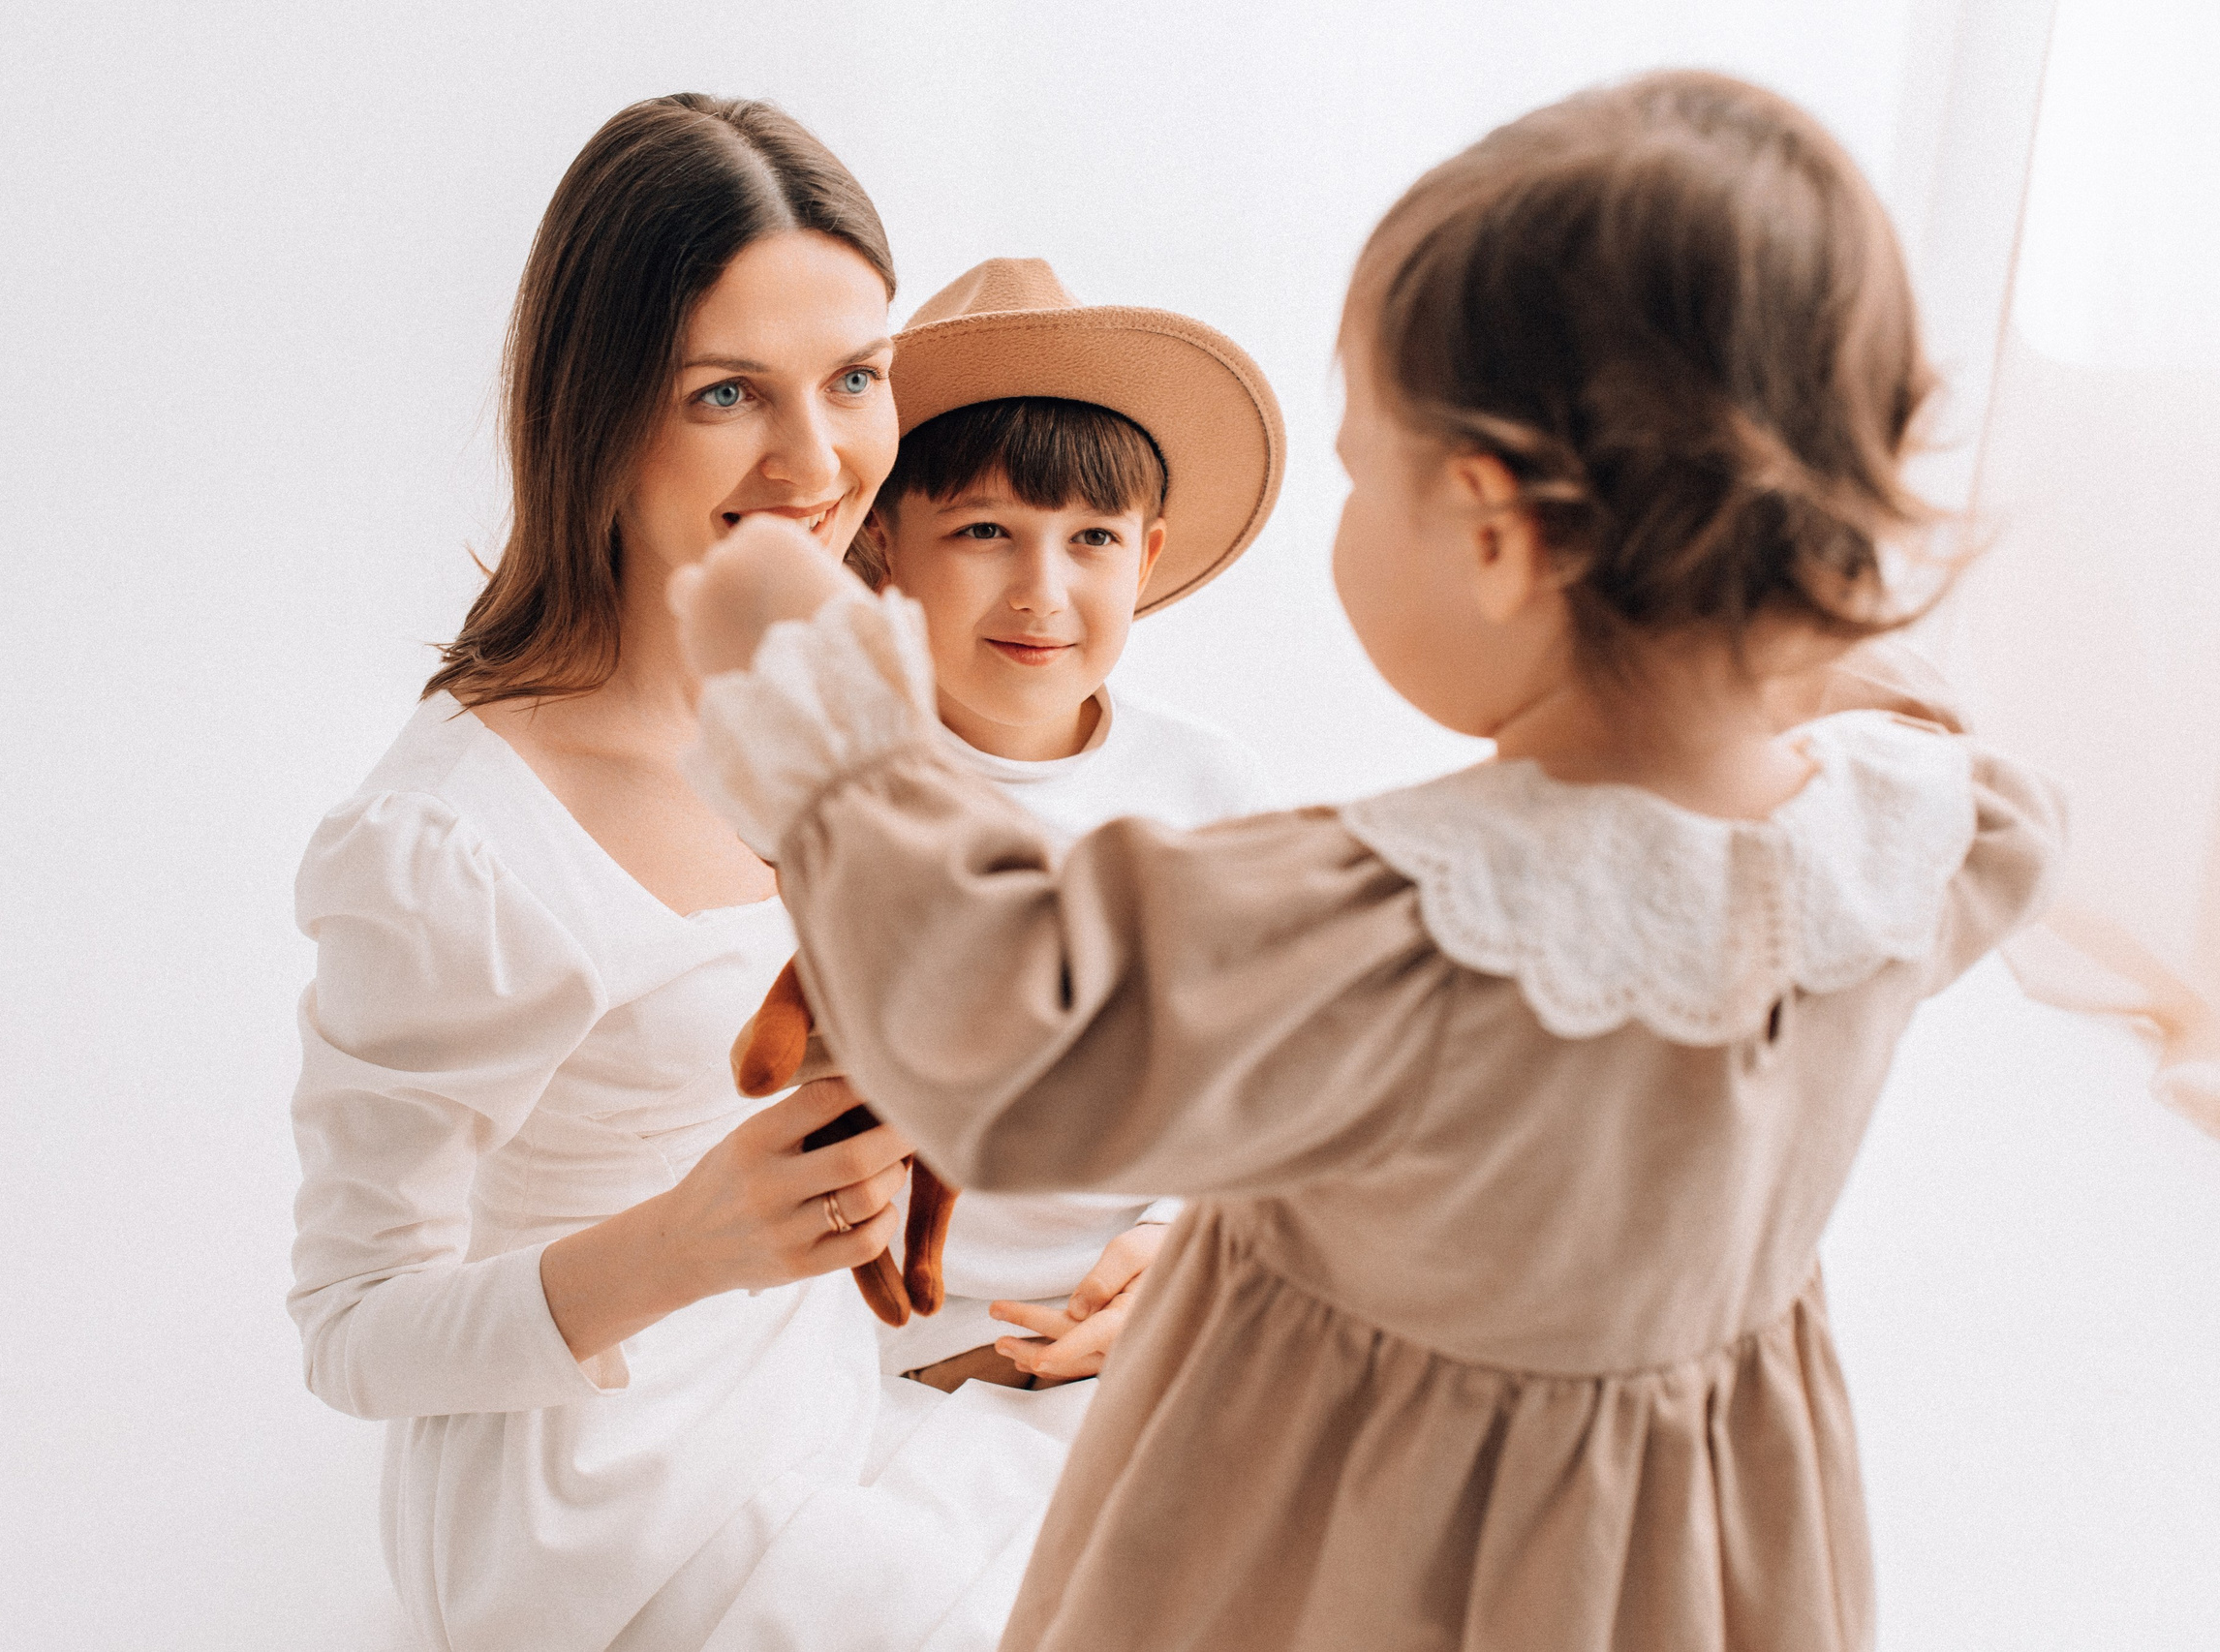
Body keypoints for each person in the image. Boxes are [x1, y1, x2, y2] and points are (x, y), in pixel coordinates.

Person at [668, 71, 2065, 1651]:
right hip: (1678, 1572)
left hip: (1357, 1568)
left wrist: (818, 699)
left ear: (1488, 530)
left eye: (1357, 470)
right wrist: (1732, 602)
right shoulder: (1919, 833)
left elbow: (1007, 1026)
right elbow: (1918, 726)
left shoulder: (1402, 927)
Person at [286, 94, 1078, 1652]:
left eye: (855, 377)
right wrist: (684, 1243)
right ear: (597, 410)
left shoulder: (822, 688)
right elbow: (349, 1328)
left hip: (823, 1408)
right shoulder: (456, 844)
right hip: (608, 1525)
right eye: (728, 393)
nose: (817, 460)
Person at [839, 257, 1283, 1391]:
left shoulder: (1206, 785)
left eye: (1092, 537)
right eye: (985, 529)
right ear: (885, 540)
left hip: (1151, 1307)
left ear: (1148, 554)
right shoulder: (831, 788)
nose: (1042, 589)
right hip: (883, 1334)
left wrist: (1172, 1242)